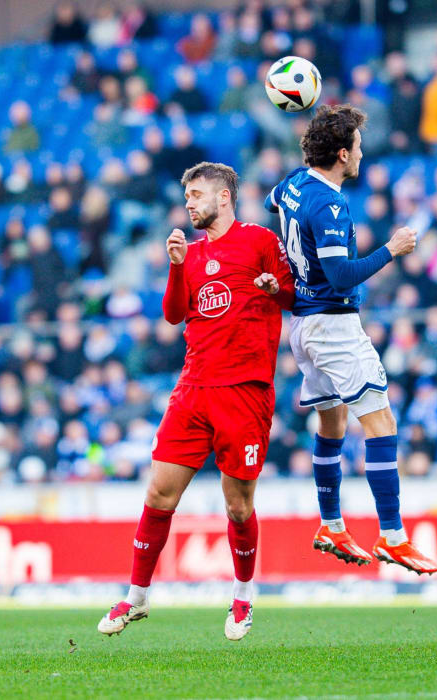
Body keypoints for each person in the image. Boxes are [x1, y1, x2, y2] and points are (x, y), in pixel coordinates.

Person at [97, 162, 294, 641]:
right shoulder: (192, 251)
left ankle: (243, 596)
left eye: (197, 195)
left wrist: (276, 288)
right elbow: (173, 314)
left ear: (224, 197)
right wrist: (176, 265)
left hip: (244, 391)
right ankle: (137, 595)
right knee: (158, 493)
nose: (189, 203)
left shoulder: (260, 241)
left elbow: (293, 295)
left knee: (238, 506)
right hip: (193, 389)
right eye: (187, 196)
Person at [266, 104, 437, 575]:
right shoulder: (330, 204)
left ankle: (331, 524)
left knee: (332, 425)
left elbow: (271, 203)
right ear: (342, 154)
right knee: (381, 423)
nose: (362, 154)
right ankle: (394, 537)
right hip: (333, 324)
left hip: (303, 325)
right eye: (357, 147)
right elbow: (341, 275)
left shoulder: (293, 184)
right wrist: (392, 249)